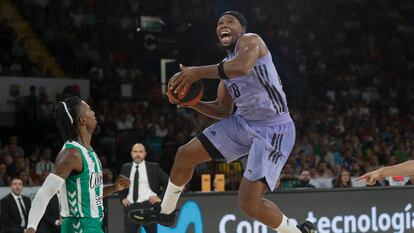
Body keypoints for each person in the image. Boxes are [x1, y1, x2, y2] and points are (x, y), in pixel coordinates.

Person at [129, 11, 315, 233]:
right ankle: (166, 212)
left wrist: (197, 73)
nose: (223, 25)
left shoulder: (252, 41)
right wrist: (192, 103)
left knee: (248, 203)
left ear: (242, 29)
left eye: (230, 22)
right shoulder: (224, 65)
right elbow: (223, 109)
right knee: (184, 155)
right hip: (242, 123)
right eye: (219, 23)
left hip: (273, 128)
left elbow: (242, 67)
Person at [25, 96, 131, 233]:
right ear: (82, 120)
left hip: (93, 224)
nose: (93, 113)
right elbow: (44, 193)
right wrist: (31, 228)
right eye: (89, 109)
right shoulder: (71, 154)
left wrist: (114, 188)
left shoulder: (89, 152)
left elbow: (90, 195)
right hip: (79, 225)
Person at [119, 143, 168, 233]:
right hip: (131, 208)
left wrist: (160, 197)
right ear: (131, 153)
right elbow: (119, 185)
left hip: (149, 207)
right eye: (135, 151)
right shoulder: (126, 168)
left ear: (145, 153)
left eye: (140, 152)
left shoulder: (154, 167)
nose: (138, 154)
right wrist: (122, 198)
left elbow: (167, 182)